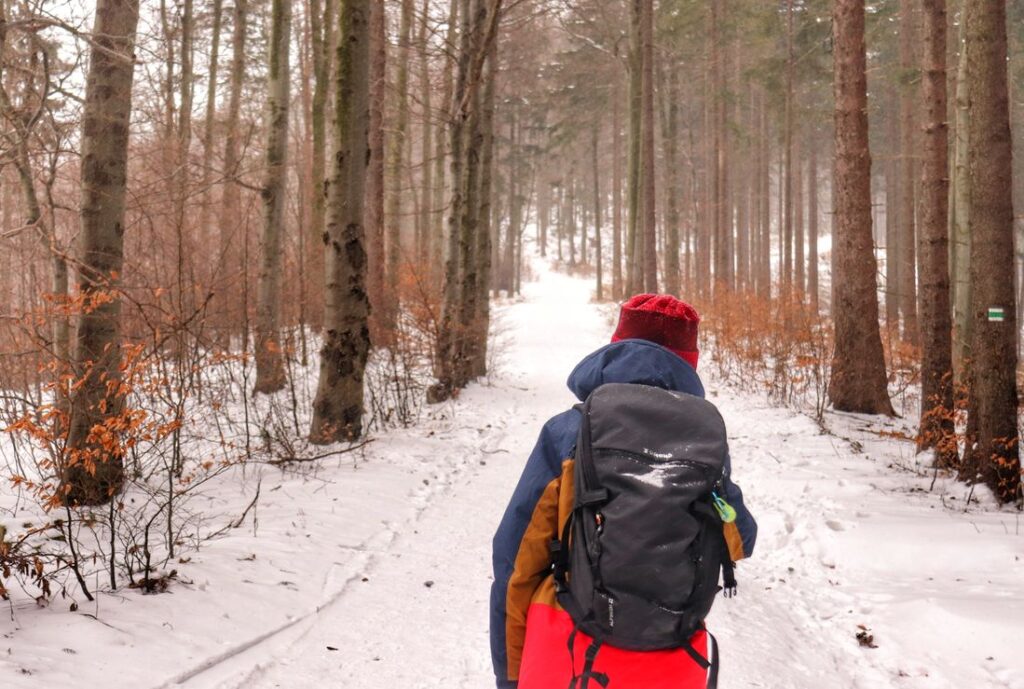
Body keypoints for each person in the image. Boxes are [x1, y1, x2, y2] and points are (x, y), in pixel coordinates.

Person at [490, 294, 757, 689]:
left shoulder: (569, 430)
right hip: (670, 650)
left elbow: (516, 560)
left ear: (616, 345)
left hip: (569, 649)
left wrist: (510, 674)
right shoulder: (702, 439)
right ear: (690, 362)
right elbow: (739, 541)